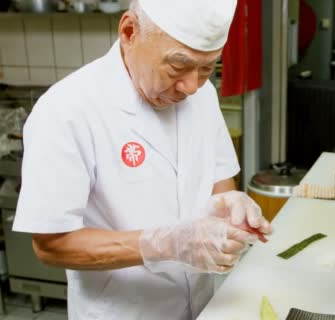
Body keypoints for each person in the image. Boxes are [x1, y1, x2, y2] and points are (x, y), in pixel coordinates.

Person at [12, 0, 271, 319]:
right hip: (125, 311)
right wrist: (165, 244)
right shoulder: (67, 110)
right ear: (129, 31)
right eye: (178, 66)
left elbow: (220, 180)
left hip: (205, 305)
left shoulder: (204, 96)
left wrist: (231, 204)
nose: (191, 86)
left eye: (207, 68)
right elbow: (51, 244)